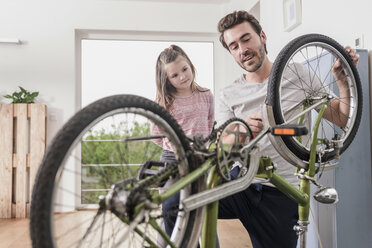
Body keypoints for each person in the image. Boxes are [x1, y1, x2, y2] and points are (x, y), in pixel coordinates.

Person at [216, 10, 359, 248]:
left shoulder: (298, 73)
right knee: (179, 203)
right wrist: (242, 131)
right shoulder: (227, 94)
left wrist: (342, 82)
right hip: (241, 183)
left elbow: (342, 119)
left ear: (262, 36)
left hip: (281, 192)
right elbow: (223, 143)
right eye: (233, 46)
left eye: (246, 39)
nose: (242, 50)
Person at [151, 44, 214, 244]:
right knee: (171, 207)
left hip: (200, 159)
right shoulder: (164, 102)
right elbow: (156, 135)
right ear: (166, 80)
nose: (182, 77)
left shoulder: (206, 95)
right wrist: (174, 148)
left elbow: (209, 123)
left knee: (201, 208)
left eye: (184, 69)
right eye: (175, 75)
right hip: (173, 159)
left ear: (190, 65)